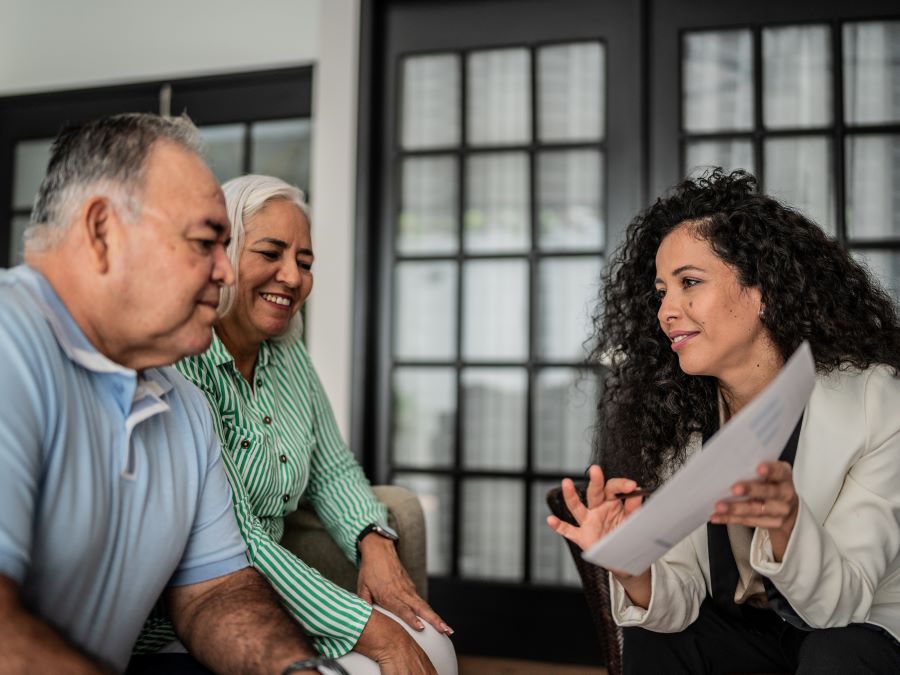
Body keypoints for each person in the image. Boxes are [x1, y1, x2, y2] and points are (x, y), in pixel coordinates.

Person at [0, 113, 343, 675]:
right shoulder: (10, 344)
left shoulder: (183, 404)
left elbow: (214, 593)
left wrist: (297, 670)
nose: (226, 273)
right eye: (206, 242)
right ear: (102, 231)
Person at [548, 169, 900, 674]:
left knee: (835, 653)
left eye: (689, 283)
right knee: (656, 638)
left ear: (764, 293)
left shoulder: (876, 399)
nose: (667, 311)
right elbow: (684, 594)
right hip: (748, 634)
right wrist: (631, 564)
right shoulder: (680, 420)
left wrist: (787, 526)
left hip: (858, 631)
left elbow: (841, 606)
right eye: (661, 293)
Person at [137, 174, 457, 675]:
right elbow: (235, 540)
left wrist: (375, 540)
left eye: (304, 262)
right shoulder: (182, 365)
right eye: (271, 253)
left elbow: (331, 468)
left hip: (278, 596)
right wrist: (370, 629)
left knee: (436, 647)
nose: (292, 276)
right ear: (222, 257)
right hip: (202, 615)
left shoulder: (289, 355)